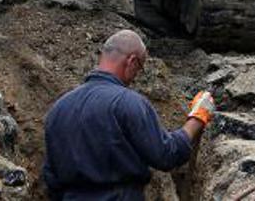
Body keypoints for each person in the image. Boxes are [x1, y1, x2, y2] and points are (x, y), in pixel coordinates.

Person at [42, 30, 215, 200]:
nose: (135, 76)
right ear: (132, 61)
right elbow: (166, 154)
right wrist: (197, 118)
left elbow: (51, 177)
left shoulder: (58, 108)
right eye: (139, 68)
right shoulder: (128, 103)